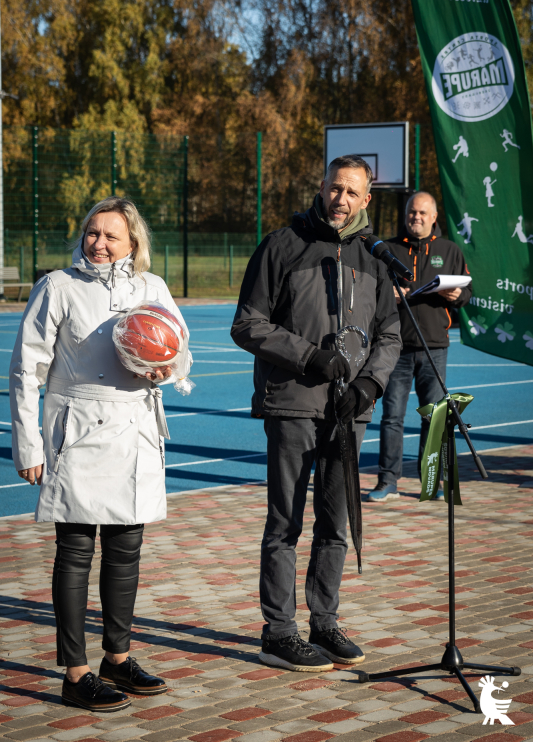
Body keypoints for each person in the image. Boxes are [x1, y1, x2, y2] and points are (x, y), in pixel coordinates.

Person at [10, 197, 190, 712]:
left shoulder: (151, 288)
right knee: (75, 554)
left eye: (111, 235)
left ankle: (117, 657)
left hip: (134, 431)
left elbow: (180, 349)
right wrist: (29, 444)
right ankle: (75, 672)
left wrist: (166, 370)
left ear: (133, 241)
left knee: (125, 552)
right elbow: (26, 370)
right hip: (78, 432)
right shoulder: (58, 287)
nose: (100, 243)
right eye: (93, 233)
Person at [231, 155, 401, 673]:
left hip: (349, 413)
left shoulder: (376, 257)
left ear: (366, 200)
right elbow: (247, 324)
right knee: (285, 522)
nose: (340, 199)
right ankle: (278, 632)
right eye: (334, 188)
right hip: (293, 404)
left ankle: (323, 621)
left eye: (352, 192)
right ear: (321, 188)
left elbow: (390, 334)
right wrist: (309, 356)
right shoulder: (283, 245)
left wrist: (369, 383)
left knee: (337, 524)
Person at [369, 191, 472, 503]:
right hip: (395, 347)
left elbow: (467, 290)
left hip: (435, 347)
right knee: (392, 418)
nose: (416, 218)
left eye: (422, 213)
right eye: (412, 212)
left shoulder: (449, 249)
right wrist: (389, 294)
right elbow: (370, 291)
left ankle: (433, 483)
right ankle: (387, 481)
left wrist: (458, 298)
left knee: (434, 418)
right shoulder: (388, 249)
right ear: (406, 214)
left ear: (434, 217)